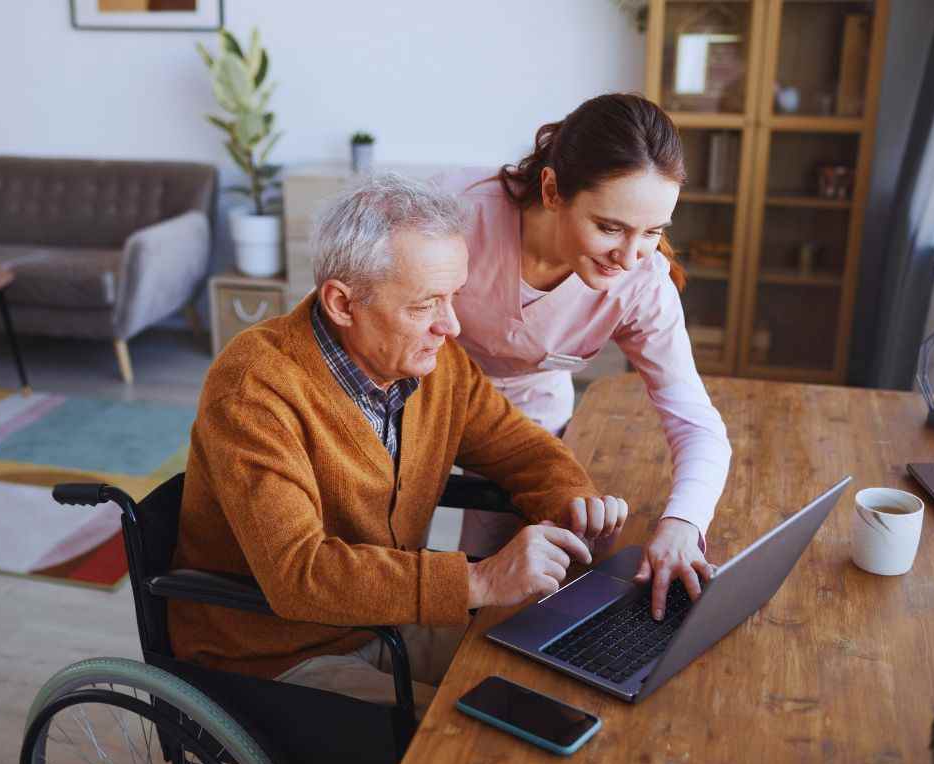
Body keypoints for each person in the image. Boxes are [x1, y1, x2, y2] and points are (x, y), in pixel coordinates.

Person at [168, 173, 627, 715]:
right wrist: (478, 580)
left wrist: (573, 499)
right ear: (342, 303)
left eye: (454, 297)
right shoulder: (254, 386)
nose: (451, 326)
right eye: (424, 305)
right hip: (274, 654)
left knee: (560, 674)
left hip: (386, 622)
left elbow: (516, 446)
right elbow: (300, 574)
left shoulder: (434, 364)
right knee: (480, 734)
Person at [439, 93, 732, 621]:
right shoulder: (456, 219)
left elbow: (696, 421)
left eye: (653, 231)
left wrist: (684, 523)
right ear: (552, 190)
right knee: (409, 555)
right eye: (611, 227)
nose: (629, 256)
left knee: (512, 586)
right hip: (424, 396)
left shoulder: (641, 283)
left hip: (529, 416)